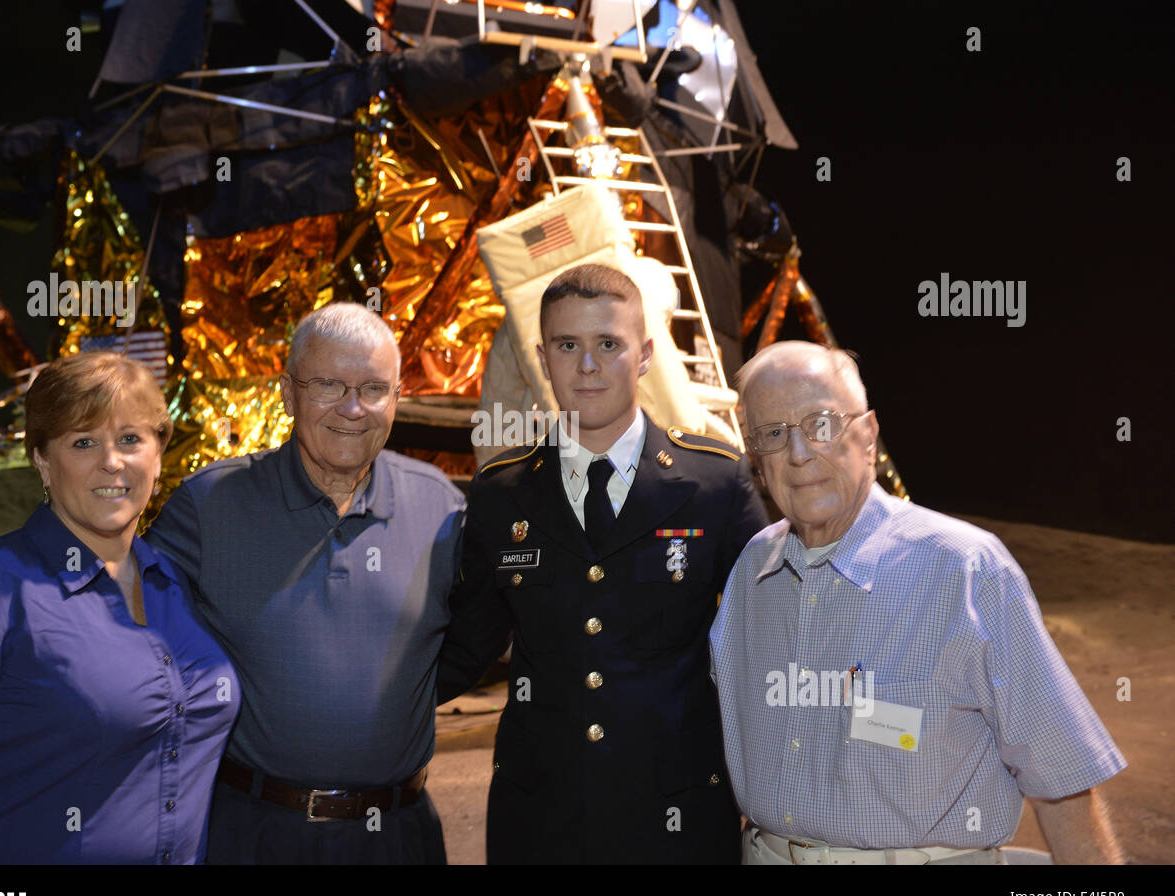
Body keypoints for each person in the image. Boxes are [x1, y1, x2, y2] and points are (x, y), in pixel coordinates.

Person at [710, 340, 1127, 865]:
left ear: (868, 434)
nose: (798, 455)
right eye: (773, 434)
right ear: (755, 457)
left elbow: (1061, 777)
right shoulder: (753, 571)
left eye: (822, 424)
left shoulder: (965, 570)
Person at [439, 263, 770, 863]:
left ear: (644, 355)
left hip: (676, 821)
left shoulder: (715, 484)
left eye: (608, 345)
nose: (587, 366)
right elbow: (466, 647)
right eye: (568, 345)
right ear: (543, 357)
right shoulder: (501, 492)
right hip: (540, 822)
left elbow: (773, 632)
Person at [0, 351, 239, 864]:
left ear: (160, 453)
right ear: (43, 460)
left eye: (131, 439)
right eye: (83, 441)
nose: (111, 461)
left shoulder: (177, 585)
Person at [145, 302, 464, 865]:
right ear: (288, 393)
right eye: (327, 385)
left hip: (398, 838)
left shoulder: (439, 506)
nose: (352, 408)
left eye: (373, 388)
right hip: (255, 834)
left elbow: (471, 642)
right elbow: (129, 642)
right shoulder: (209, 507)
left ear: (396, 398)